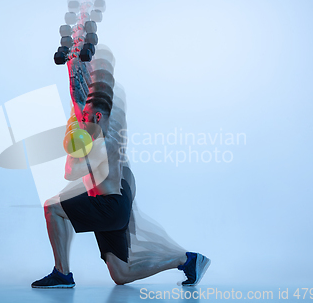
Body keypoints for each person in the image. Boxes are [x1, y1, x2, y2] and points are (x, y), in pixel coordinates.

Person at [31, 93, 210, 288]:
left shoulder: (101, 145)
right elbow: (123, 182)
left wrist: (72, 133)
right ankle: (187, 261)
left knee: (52, 207)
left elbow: (70, 172)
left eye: (84, 117)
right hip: (115, 205)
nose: (81, 120)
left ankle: (62, 274)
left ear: (97, 117)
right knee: (121, 274)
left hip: (110, 207)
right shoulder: (111, 143)